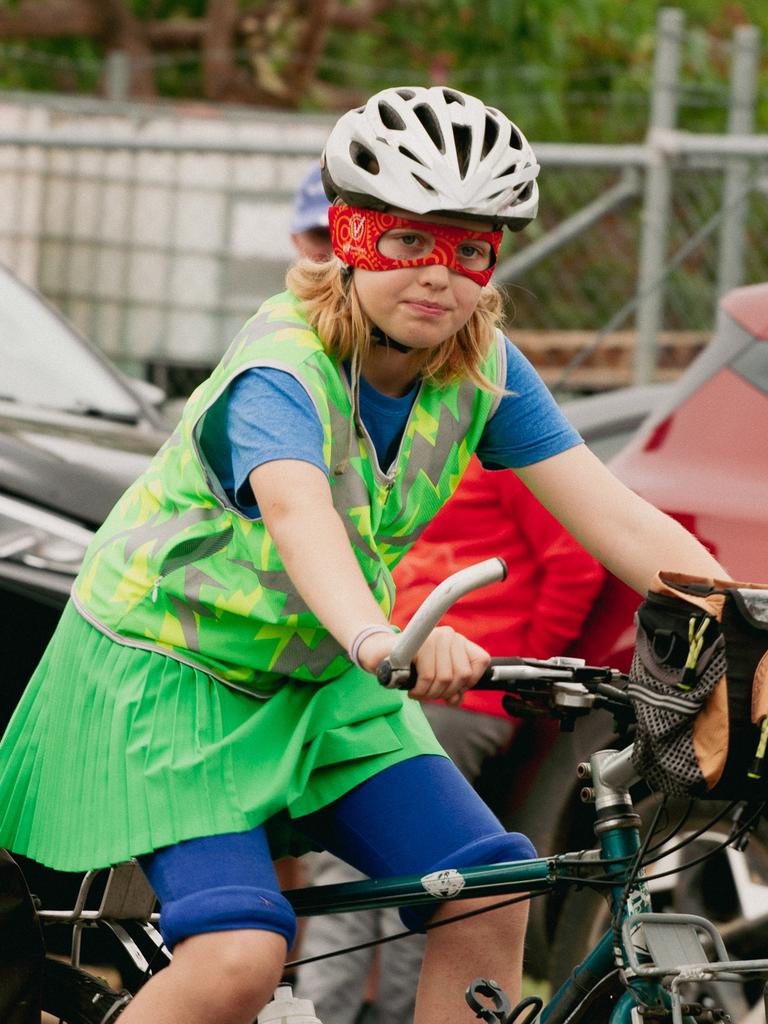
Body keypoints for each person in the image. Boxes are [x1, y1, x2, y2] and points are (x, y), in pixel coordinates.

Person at [0, 84, 729, 1024]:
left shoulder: (486, 366)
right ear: (347, 238)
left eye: (470, 249)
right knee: (237, 956)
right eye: (407, 241)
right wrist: (382, 638)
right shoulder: (281, 368)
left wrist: (744, 609)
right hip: (171, 679)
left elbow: (619, 518)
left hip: (321, 678)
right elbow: (302, 520)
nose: (440, 274)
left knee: (492, 888)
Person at [295, 458, 606, 1024]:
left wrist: (516, 673)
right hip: (385, 678)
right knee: (378, 874)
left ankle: (363, 1014)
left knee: (408, 873)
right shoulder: (408, 454)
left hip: (455, 688)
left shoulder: (499, 455)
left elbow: (576, 562)